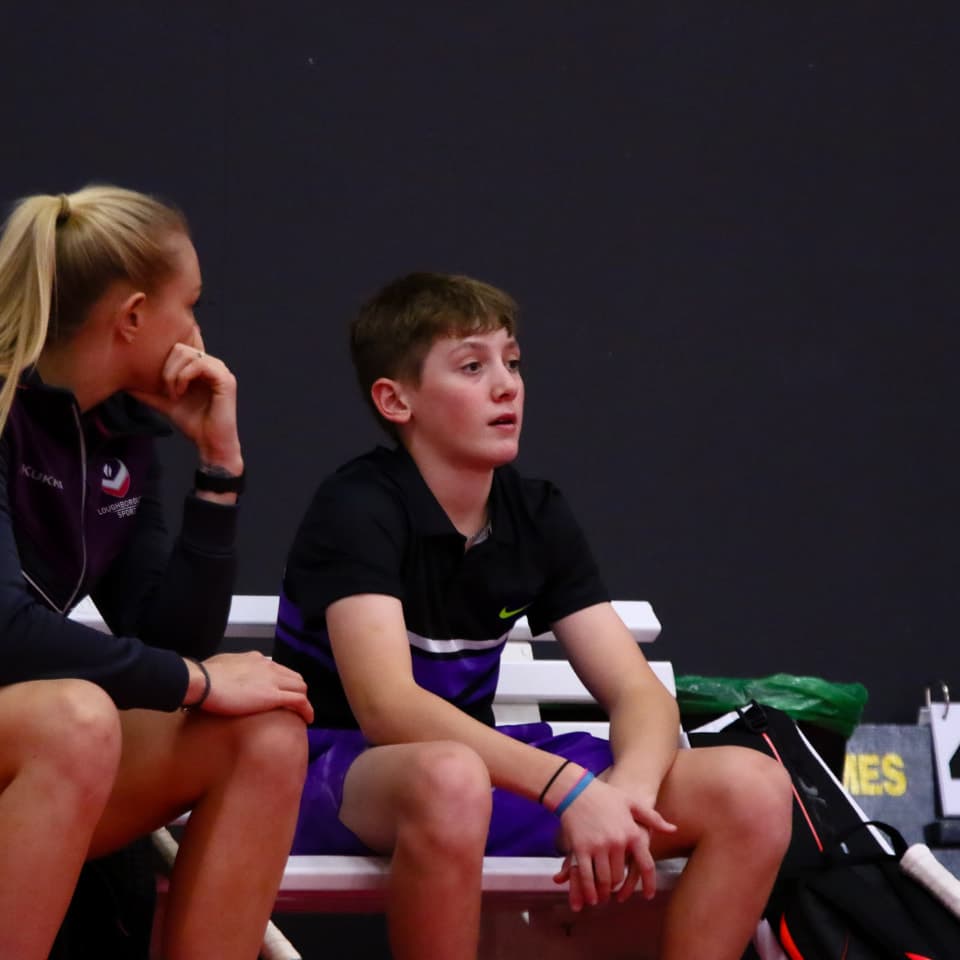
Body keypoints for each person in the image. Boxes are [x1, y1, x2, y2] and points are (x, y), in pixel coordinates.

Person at [274, 271, 794, 960]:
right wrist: (572, 788)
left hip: (475, 777)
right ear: (396, 400)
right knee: (449, 776)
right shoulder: (357, 507)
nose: (506, 385)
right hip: (332, 776)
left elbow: (636, 690)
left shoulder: (536, 512)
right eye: (471, 366)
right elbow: (388, 710)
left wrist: (625, 798)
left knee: (754, 787)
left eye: (511, 363)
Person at [0, 185, 313, 960]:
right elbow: (4, 632)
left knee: (262, 734)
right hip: (39, 734)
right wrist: (197, 682)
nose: (199, 333)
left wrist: (218, 471)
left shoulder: (120, 431)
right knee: (75, 719)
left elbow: (168, 635)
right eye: (191, 304)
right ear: (134, 317)